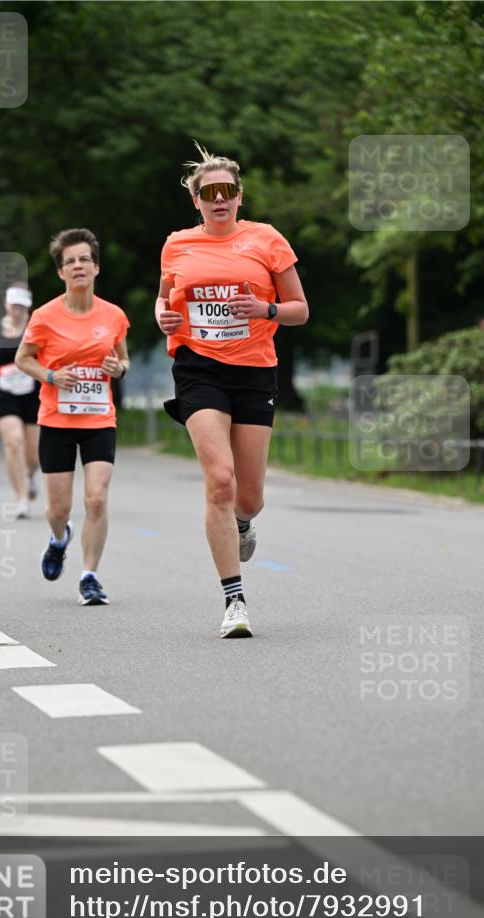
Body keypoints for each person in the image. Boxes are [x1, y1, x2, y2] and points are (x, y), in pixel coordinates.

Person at [155, 145, 308, 638]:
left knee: (250, 496)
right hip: (198, 368)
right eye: (208, 193)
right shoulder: (177, 245)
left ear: (239, 196)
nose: (219, 200)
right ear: (196, 201)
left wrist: (264, 311)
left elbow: (300, 309)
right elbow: (164, 301)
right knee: (219, 482)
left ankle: (243, 524)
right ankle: (234, 601)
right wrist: (163, 317)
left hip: (254, 372)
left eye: (227, 191)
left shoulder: (266, 240)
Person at [15, 227, 129, 606]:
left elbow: (123, 359)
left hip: (99, 419)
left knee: (96, 500)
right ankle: (58, 539)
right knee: (57, 509)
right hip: (57, 419)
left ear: (96, 268)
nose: (78, 266)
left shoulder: (113, 315)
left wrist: (119, 369)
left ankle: (90, 576)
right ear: (61, 272)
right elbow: (23, 359)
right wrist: (50, 375)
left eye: (84, 260)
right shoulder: (45, 316)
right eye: (70, 262)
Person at [0, 285, 39, 518]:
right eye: (13, 305)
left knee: (34, 455)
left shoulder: (35, 326)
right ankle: (21, 497)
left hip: (31, 391)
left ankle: (31, 474)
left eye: (21, 305)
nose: (17, 310)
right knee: (13, 442)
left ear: (27, 306)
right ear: (6, 304)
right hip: (4, 391)